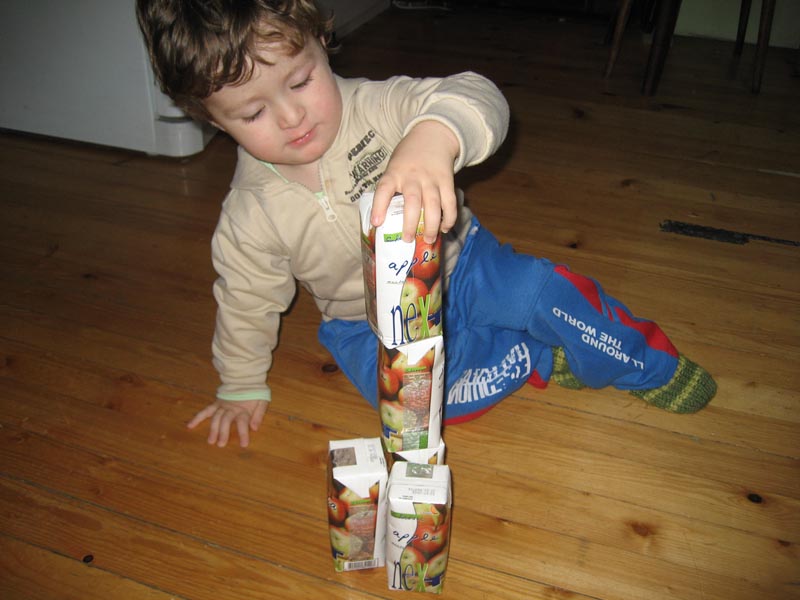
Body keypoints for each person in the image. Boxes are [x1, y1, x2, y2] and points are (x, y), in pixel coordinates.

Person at [136, 0, 716, 448]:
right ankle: (536, 356)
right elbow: (245, 302)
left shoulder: (378, 106)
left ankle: (647, 363)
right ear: (212, 120)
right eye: (254, 112)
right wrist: (239, 384)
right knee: (415, 411)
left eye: (300, 80)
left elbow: (477, 95)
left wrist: (434, 135)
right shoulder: (249, 214)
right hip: (365, 325)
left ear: (321, 43)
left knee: (544, 294)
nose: (292, 117)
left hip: (465, 263)